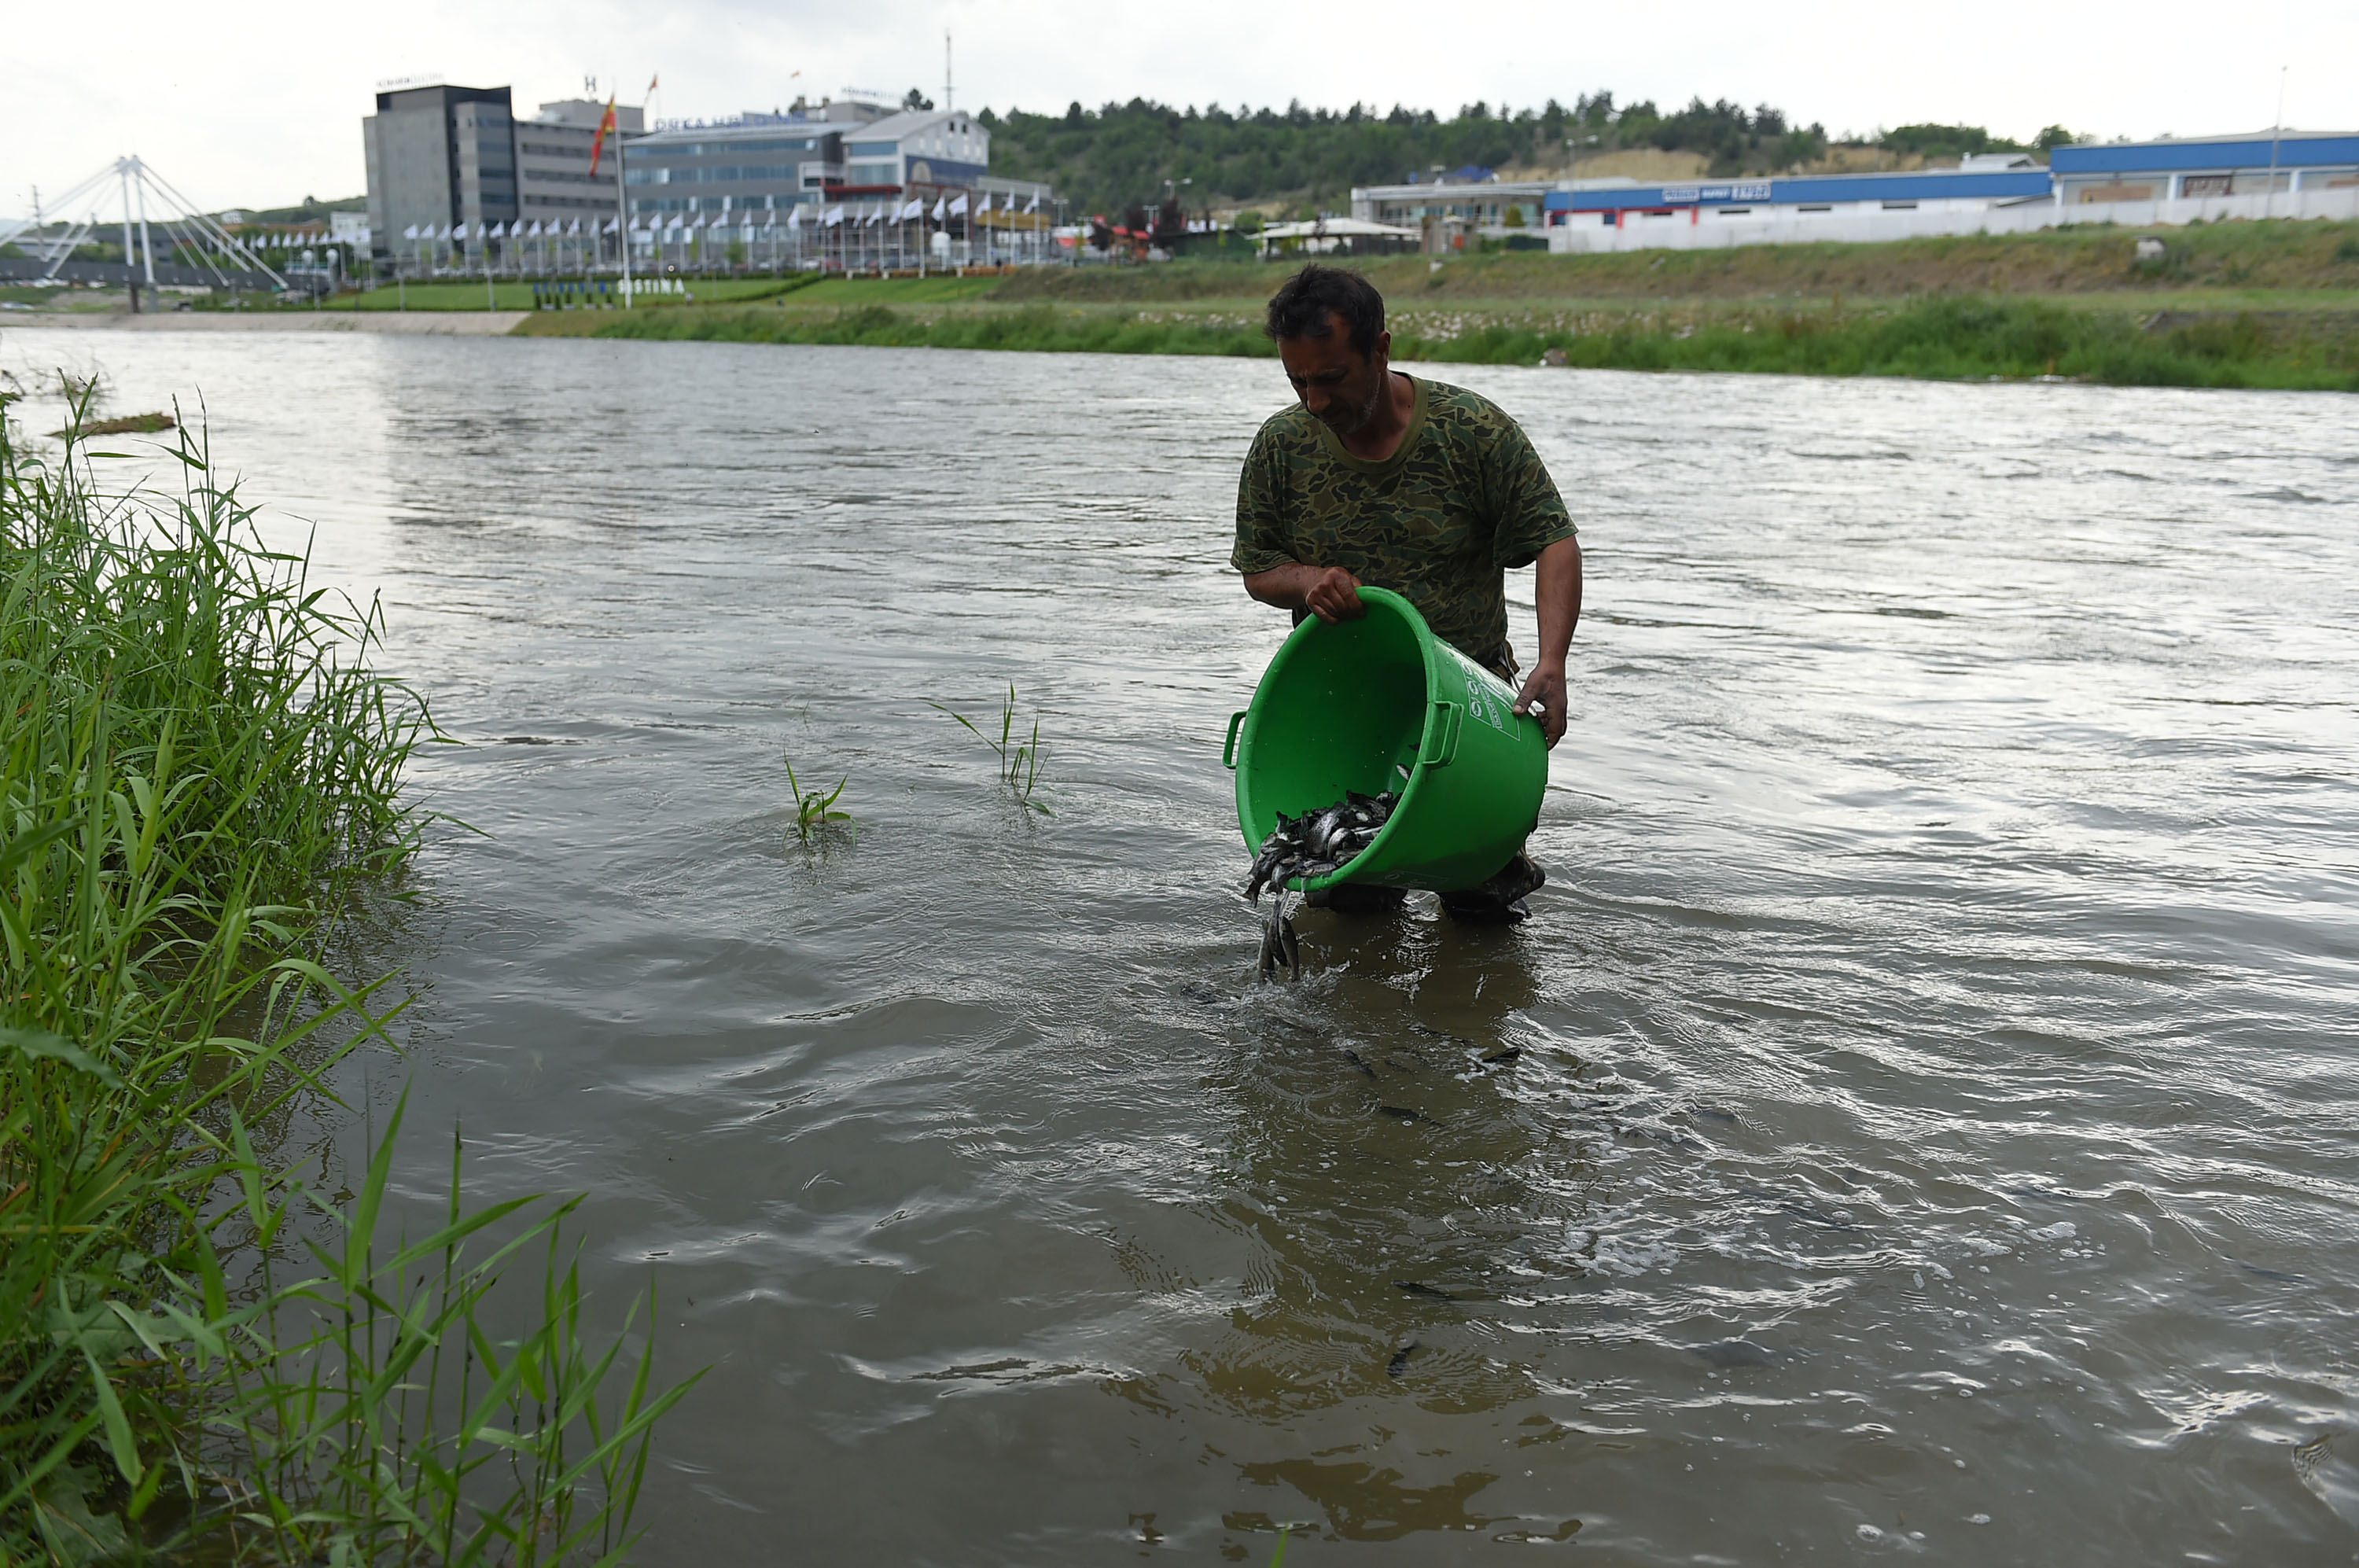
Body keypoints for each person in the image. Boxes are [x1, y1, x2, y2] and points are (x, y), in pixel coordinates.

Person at [1232, 263, 1582, 924]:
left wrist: (1553, 661)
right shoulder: (1281, 447)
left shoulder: (1471, 432)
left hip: (1471, 716)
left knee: (1482, 914)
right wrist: (1307, 581)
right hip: (1347, 719)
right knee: (1351, 912)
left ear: (1381, 350)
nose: (1314, 401)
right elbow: (1258, 570)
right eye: (1297, 381)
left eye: (1331, 378)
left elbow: (1554, 541)